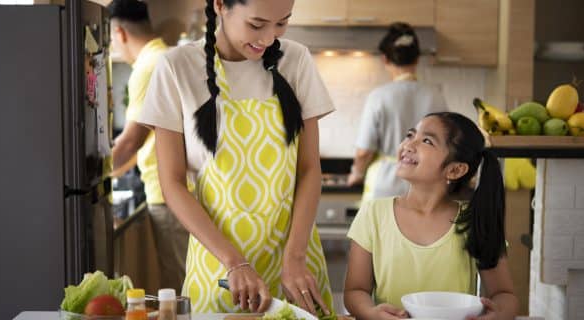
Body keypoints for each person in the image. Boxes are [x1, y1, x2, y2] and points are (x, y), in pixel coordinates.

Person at [138, 0, 335, 315]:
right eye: (256, 25)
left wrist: (296, 257)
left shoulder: (296, 60)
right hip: (219, 268)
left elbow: (310, 169)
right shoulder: (176, 67)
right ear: (220, 5)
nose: (269, 38)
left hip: (296, 266)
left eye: (282, 23)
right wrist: (235, 262)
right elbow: (172, 183)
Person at [344, 112, 518, 320]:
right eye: (410, 135)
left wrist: (497, 315)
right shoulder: (373, 214)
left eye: (427, 141)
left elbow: (505, 295)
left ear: (455, 170)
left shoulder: (474, 220)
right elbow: (355, 291)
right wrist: (371, 313)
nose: (409, 144)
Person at [108, 0, 189, 293]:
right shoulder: (167, 56)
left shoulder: (148, 66)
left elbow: (131, 141)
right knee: (185, 280)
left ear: (120, 33)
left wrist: (88, 184)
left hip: (169, 194)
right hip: (182, 190)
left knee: (179, 286)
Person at [347, 23, 447, 201]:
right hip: (425, 185)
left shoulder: (379, 96)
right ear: (417, 59)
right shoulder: (436, 95)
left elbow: (364, 152)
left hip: (386, 185)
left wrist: (357, 173)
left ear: (385, 59)